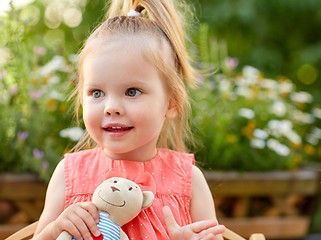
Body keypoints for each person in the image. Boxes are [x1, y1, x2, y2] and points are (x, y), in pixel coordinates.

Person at [33, 0, 225, 239]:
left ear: (171, 103)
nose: (111, 107)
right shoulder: (69, 173)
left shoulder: (188, 179)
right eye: (97, 93)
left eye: (132, 91)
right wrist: (56, 229)